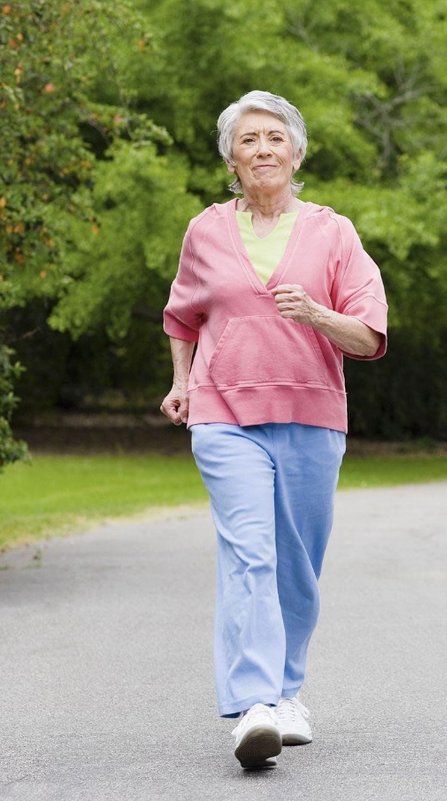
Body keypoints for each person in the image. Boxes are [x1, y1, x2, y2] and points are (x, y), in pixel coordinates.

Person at [159, 90, 388, 769]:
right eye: (249, 139)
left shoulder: (333, 233)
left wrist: (316, 313)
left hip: (313, 416)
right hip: (225, 413)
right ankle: (254, 704)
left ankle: (288, 691)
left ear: (296, 152)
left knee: (297, 565)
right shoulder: (205, 231)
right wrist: (181, 382)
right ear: (232, 157)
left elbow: (371, 335)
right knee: (249, 552)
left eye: (274, 138)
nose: (262, 149)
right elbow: (181, 316)